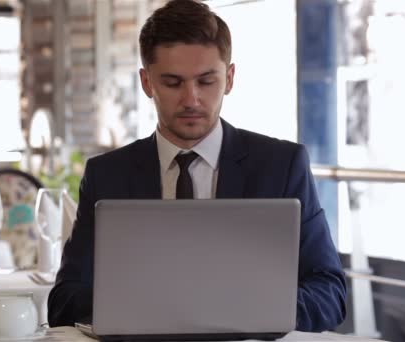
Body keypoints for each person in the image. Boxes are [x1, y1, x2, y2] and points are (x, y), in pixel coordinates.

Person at [48, 0, 346, 332]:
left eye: (206, 81)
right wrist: (141, 306)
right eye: (173, 83)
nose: (191, 99)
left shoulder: (282, 165)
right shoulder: (107, 175)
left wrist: (258, 312)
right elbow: (63, 301)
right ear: (147, 83)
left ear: (229, 78)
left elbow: (330, 291)